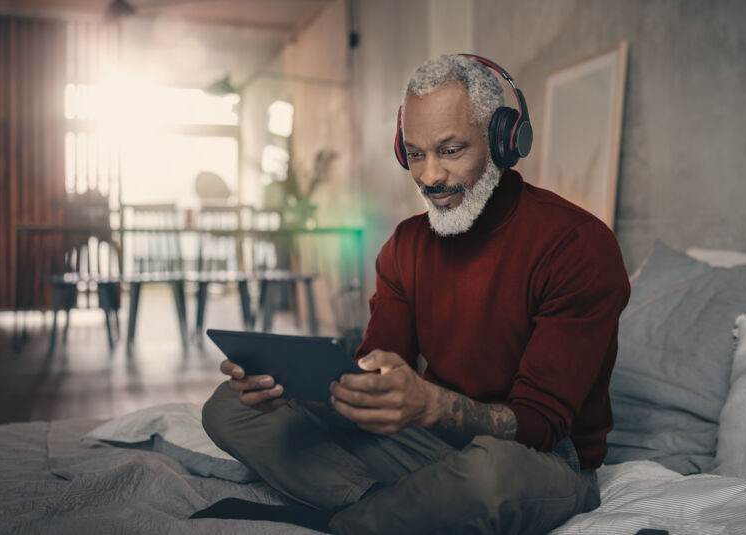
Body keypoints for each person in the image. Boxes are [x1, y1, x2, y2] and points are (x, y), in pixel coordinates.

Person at [200, 54, 630, 534]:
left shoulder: (577, 244)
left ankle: (372, 515)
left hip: (537, 459)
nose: (429, 178)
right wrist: (290, 391)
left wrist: (433, 406)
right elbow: (374, 373)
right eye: (415, 153)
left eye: (450, 150)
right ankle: (393, 507)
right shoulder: (405, 245)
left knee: (490, 472)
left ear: (504, 141)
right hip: (428, 440)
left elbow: (540, 423)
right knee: (229, 407)